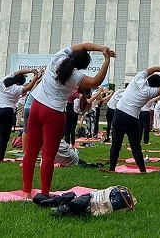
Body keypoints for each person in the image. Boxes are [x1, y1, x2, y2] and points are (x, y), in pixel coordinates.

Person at [22, 42, 114, 198]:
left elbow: (84, 45)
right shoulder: (75, 76)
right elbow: (95, 82)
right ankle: (44, 193)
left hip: (36, 106)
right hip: (54, 113)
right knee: (48, 156)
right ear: (82, 66)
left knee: (30, 152)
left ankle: (26, 193)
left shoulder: (58, 57)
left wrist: (100, 48)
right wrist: (106, 60)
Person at [108, 66, 160, 173]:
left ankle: (112, 168)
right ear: (156, 86)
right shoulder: (149, 92)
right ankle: (142, 170)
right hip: (130, 118)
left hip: (118, 113)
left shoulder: (137, 78)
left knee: (115, 145)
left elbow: (152, 69)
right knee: (135, 146)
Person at [0, 68, 36, 161]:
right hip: (6, 111)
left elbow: (18, 72)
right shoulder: (16, 88)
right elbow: (29, 88)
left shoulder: (3, 81)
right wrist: (36, 76)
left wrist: (30, 71)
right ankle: (0, 158)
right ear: (18, 83)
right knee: (3, 137)